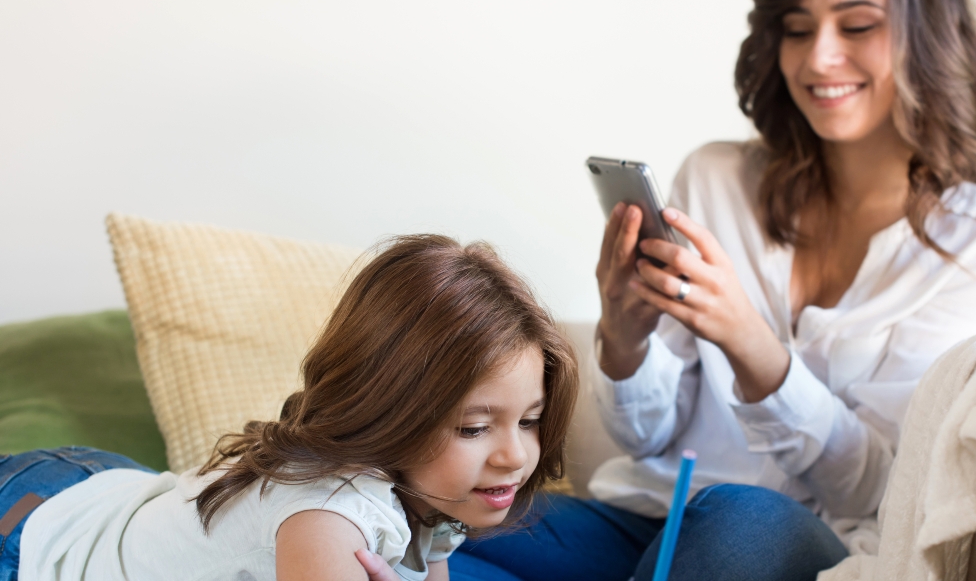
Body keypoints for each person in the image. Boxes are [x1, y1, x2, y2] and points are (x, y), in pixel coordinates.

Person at [447, 0, 976, 580]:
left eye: (857, 26)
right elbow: (646, 438)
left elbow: (879, 487)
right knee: (440, 523)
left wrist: (749, 342)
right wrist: (624, 338)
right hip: (648, 521)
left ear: (929, 36)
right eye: (798, 29)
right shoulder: (716, 178)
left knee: (733, 519)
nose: (818, 58)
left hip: (798, 539)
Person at [1, 234, 579, 581]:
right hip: (33, 529)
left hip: (112, 494)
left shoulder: (436, 497)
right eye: (475, 428)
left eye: (529, 420)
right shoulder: (329, 517)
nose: (514, 455)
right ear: (388, 408)